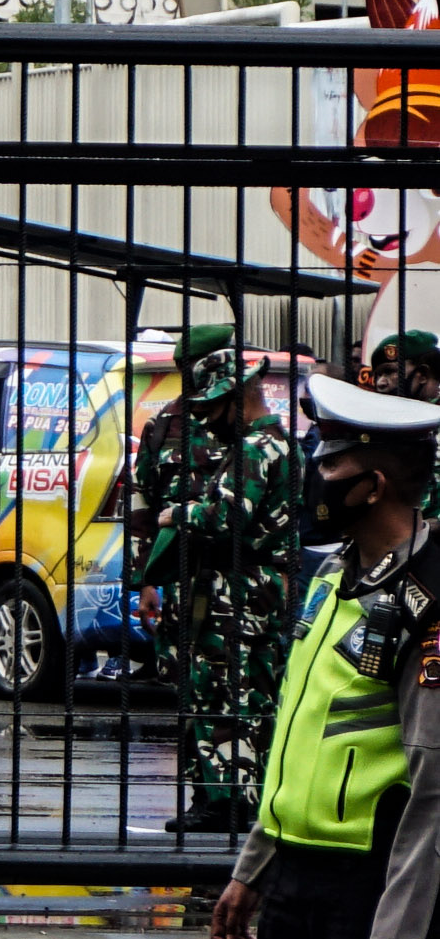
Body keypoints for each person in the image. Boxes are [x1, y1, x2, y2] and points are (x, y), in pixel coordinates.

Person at [210, 371, 440, 939]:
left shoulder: (429, 598)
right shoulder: (334, 582)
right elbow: (301, 736)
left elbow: (431, 792)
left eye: (328, 460)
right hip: (303, 890)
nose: (311, 475)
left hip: (380, 898)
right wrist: (252, 870)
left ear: (372, 481)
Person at [140, 322, 308, 837]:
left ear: (237, 397)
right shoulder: (256, 443)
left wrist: (175, 516)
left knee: (234, 699)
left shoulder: (260, 448)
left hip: (243, 595)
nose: (209, 422)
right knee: (213, 695)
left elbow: (226, 517)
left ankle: (234, 801)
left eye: (214, 409)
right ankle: (217, 798)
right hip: (221, 592)